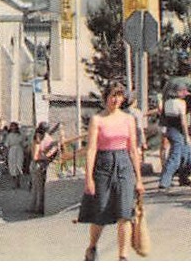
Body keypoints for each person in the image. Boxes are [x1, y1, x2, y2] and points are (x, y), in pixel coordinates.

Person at [75, 82, 144, 262]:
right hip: (103, 165)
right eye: (113, 95)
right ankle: (92, 247)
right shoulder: (97, 119)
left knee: (125, 213)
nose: (116, 100)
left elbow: (133, 149)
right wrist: (88, 178)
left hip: (124, 165)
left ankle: (123, 257)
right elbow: (91, 150)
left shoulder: (128, 119)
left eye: (119, 95)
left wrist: (139, 178)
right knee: (100, 212)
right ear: (106, 97)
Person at [157, 81, 191, 190]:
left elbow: (164, 117)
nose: (185, 93)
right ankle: (165, 181)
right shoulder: (181, 103)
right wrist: (187, 136)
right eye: (183, 91)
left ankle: (185, 177)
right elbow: (183, 121)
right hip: (179, 131)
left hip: (170, 130)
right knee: (176, 157)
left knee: (185, 153)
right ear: (177, 92)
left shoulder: (168, 102)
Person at [3, 121, 28, 189]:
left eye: (14, 126)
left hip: (19, 150)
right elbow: (6, 145)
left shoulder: (21, 135)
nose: (13, 128)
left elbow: (24, 144)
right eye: (12, 127)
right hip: (12, 151)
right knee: (12, 166)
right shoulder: (9, 136)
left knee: (19, 165)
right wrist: (5, 154)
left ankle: (18, 181)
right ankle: (14, 182)